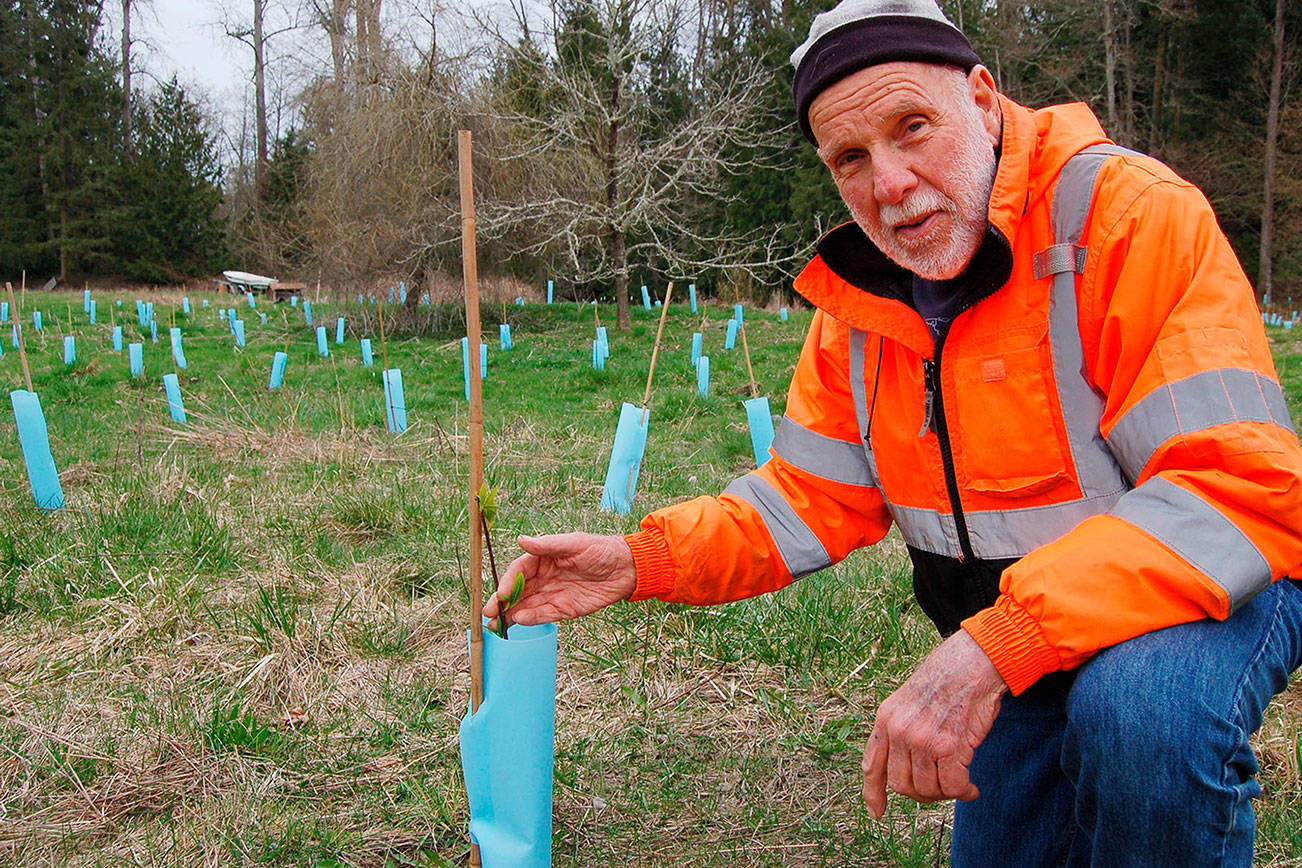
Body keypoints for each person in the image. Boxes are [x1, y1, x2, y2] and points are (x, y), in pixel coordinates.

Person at [485, 0, 1302, 863]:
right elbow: (806, 498)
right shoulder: (869, 298)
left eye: (912, 127)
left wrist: (990, 647)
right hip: (1020, 636)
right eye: (850, 158)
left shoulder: (1128, 216)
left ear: (984, 100)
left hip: (1207, 587)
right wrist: (639, 560)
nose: (891, 185)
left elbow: (1234, 489)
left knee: (1139, 716)